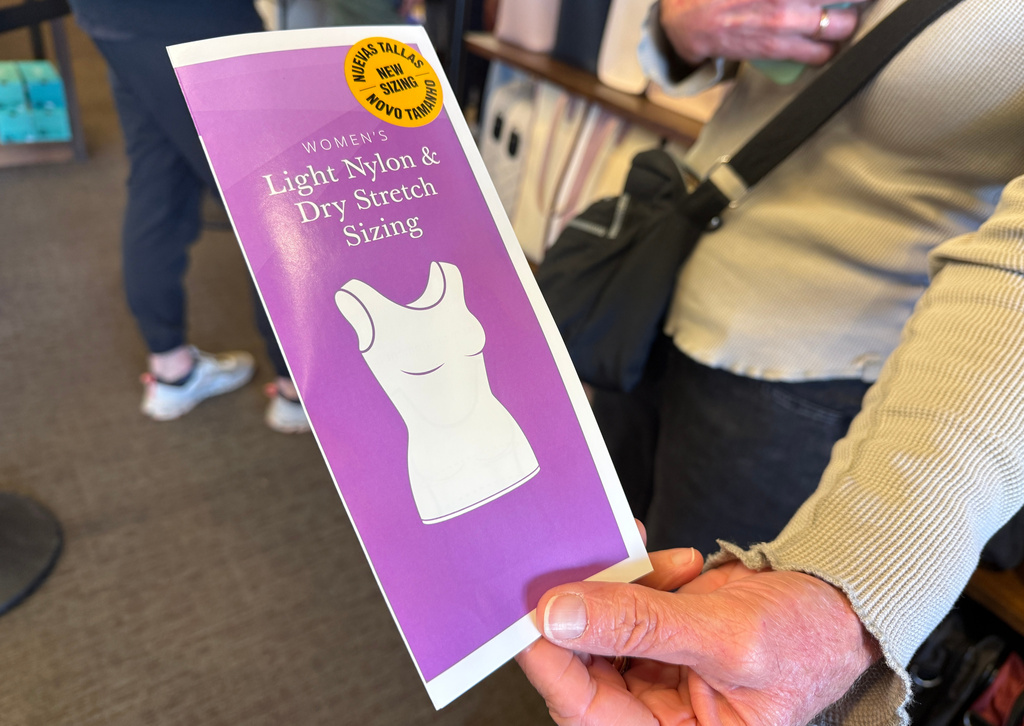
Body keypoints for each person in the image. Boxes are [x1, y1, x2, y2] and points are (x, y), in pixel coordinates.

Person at [520, 0, 1024, 723]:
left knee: (684, 675)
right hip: (664, 297)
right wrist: (680, 27)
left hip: (802, 379)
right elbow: (696, 56)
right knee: (596, 592)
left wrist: (851, 588)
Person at [66, 0, 310, 433]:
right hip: (199, 16)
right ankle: (295, 388)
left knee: (157, 178)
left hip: (111, 18)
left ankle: (172, 371)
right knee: (268, 196)